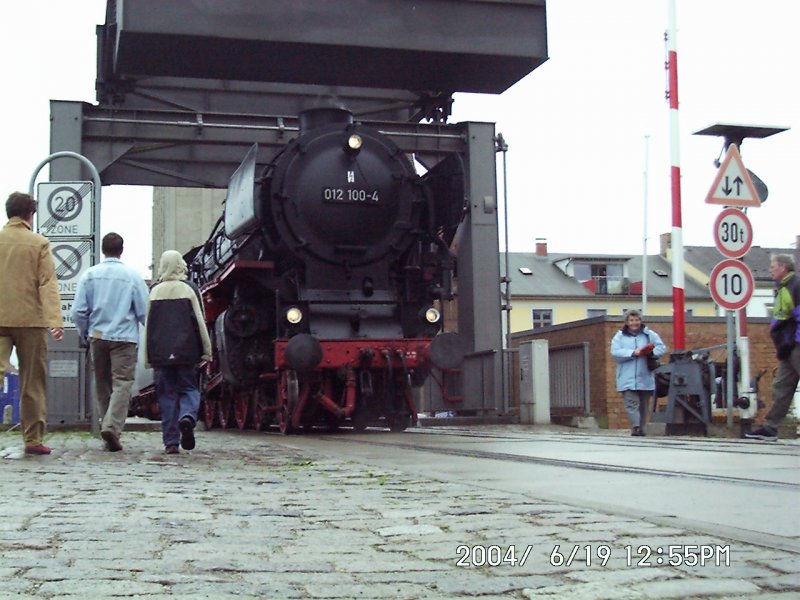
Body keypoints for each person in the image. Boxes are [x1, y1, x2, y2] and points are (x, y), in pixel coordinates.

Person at [0, 192, 64, 455]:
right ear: (30, 215)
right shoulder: (39, 243)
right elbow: (47, 284)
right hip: (31, 321)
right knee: (32, 381)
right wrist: (55, 320)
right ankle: (33, 439)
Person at [72, 233, 149, 452]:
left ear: (103, 250)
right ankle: (112, 427)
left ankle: (107, 427)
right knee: (122, 383)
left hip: (97, 336)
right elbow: (144, 311)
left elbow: (79, 311)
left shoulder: (90, 275)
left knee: (102, 384)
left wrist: (85, 332)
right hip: (124, 339)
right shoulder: (132, 277)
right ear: (121, 250)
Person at [144, 250, 211, 454]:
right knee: (190, 389)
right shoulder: (190, 289)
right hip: (187, 352)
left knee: (167, 396)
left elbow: (149, 327)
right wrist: (206, 351)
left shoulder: (154, 291)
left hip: (161, 355)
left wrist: (148, 357)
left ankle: (171, 442)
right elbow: (200, 321)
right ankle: (188, 417)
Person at [745, 254, 800, 442]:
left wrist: (795, 341)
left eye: (773, 266)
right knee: (781, 386)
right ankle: (770, 428)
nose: (770, 269)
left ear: (783, 267)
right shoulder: (782, 287)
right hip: (788, 346)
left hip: (795, 344)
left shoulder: (795, 285)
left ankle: (770, 427)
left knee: (783, 386)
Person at [610, 309, 667, 436]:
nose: (634, 323)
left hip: (645, 376)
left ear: (640, 321)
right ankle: (635, 427)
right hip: (627, 377)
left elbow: (661, 347)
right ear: (627, 322)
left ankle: (642, 427)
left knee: (643, 405)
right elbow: (615, 352)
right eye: (631, 320)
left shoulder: (648, 334)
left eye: (636, 320)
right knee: (631, 404)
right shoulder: (619, 336)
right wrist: (632, 353)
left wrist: (650, 352)